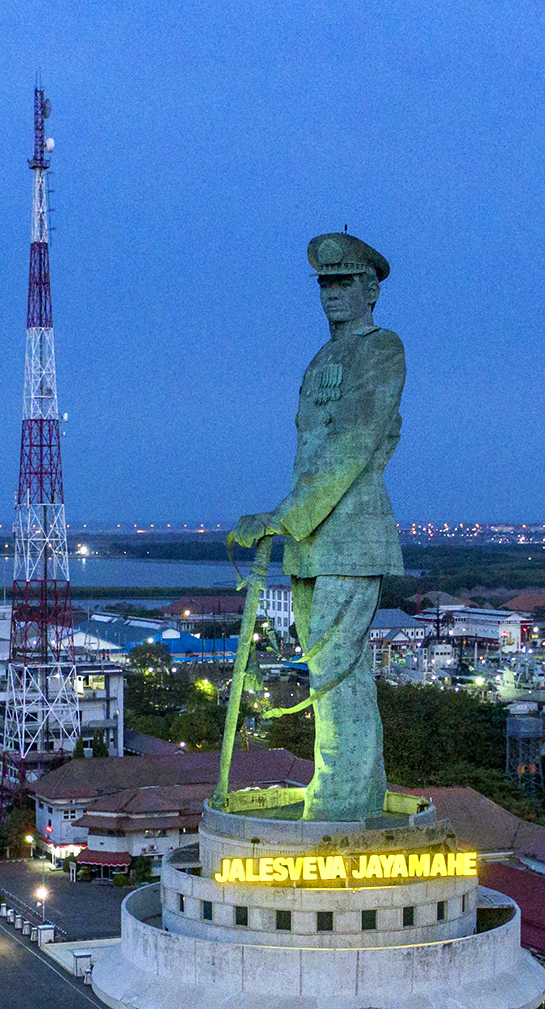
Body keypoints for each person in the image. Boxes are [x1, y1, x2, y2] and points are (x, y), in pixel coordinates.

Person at [231, 233, 405, 821]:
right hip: (312, 542)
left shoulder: (381, 349)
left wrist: (284, 516)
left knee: (335, 672)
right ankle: (350, 789)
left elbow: (355, 443)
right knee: (330, 668)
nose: (332, 293)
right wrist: (287, 520)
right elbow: (311, 455)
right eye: (325, 284)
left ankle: (342, 797)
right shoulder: (322, 358)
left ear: (371, 289)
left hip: (352, 537)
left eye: (344, 282)